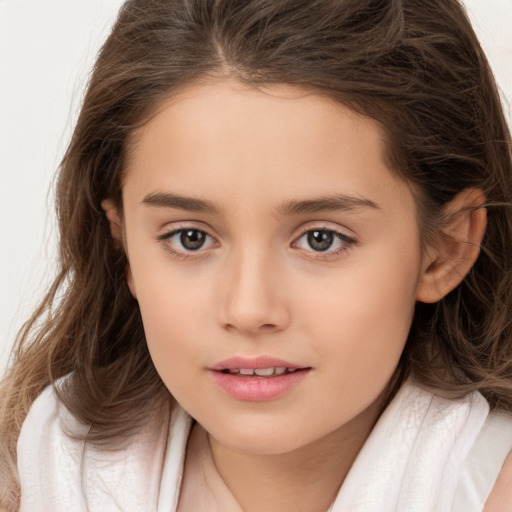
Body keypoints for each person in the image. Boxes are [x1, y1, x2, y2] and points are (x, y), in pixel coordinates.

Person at [1, 0, 511, 510]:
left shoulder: (487, 486)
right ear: (124, 246)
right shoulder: (49, 467)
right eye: (190, 238)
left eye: (321, 239)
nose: (248, 309)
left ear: (444, 249)